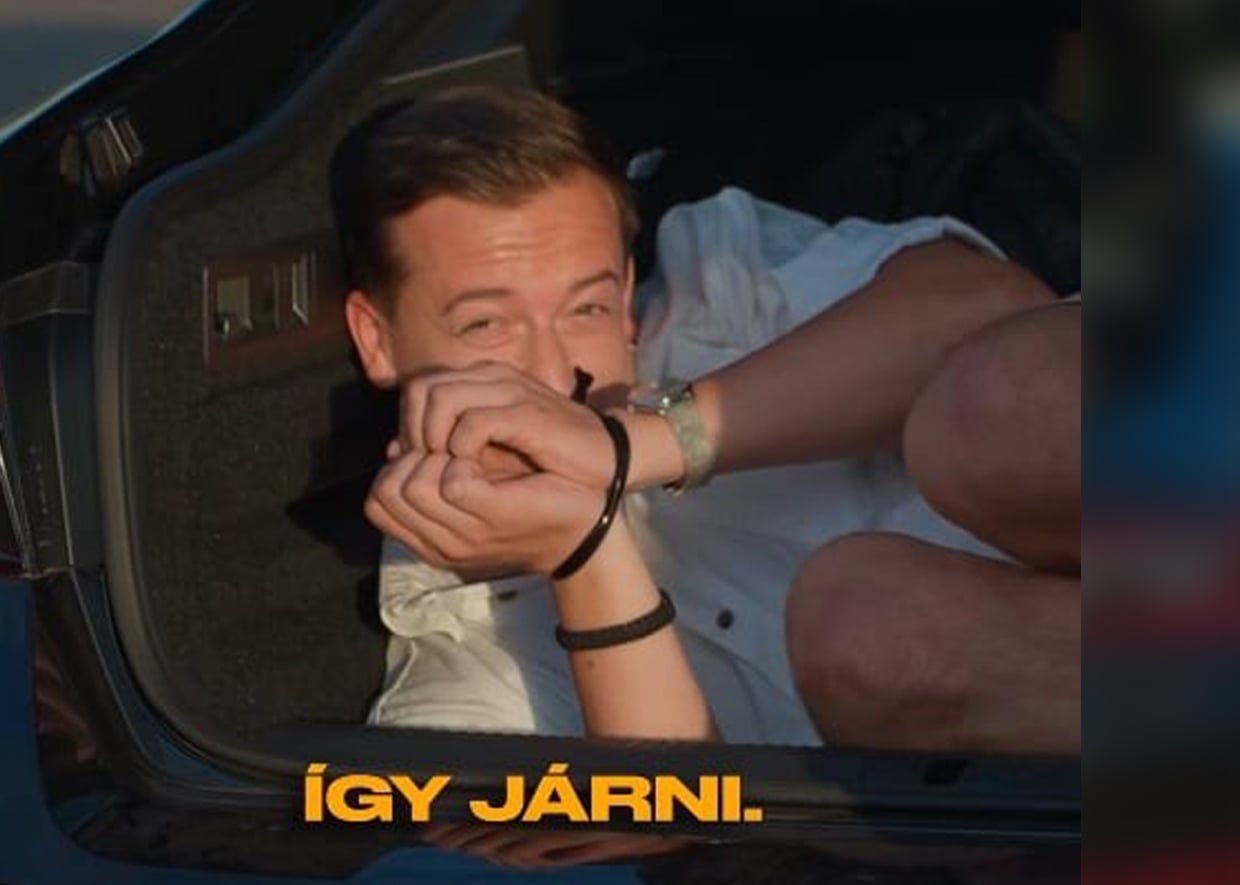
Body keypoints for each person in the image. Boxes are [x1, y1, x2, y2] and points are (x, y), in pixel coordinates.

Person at [331, 85, 1079, 863]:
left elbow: (994, 309)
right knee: (867, 626)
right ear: (376, 339)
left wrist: (643, 444)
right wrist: (587, 550)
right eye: (486, 324)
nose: (553, 376)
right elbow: (669, 823)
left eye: (586, 309)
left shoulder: (715, 283)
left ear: (626, 294)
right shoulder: (461, 652)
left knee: (996, 404)